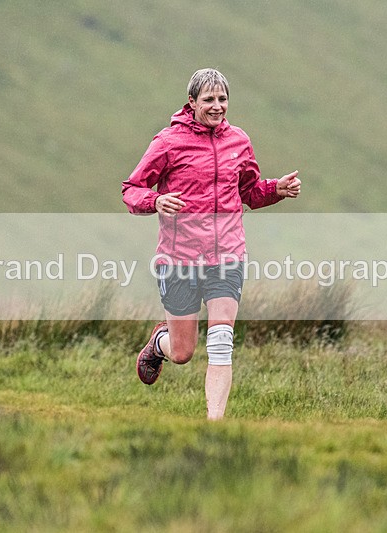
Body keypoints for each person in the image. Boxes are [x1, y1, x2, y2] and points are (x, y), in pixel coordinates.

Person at [121, 68, 301, 420]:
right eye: (209, 100)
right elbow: (131, 189)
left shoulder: (239, 141)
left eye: (222, 99)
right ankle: (159, 343)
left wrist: (276, 189)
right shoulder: (168, 142)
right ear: (191, 102)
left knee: (221, 341)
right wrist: (155, 201)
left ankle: (214, 425)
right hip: (179, 259)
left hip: (227, 256)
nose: (217, 106)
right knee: (182, 352)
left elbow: (249, 191)